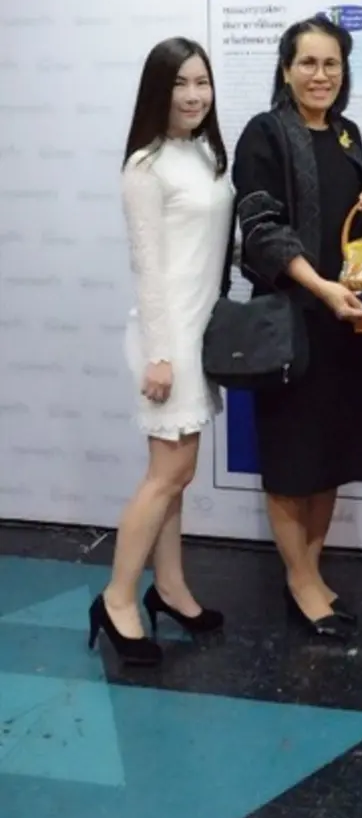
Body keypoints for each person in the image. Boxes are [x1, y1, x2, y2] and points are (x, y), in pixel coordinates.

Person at [232, 15, 362, 642]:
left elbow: (347, 238)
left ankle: (312, 572)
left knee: (332, 455)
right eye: (308, 63)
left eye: (331, 64)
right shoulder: (265, 133)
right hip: (291, 320)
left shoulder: (348, 135)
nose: (320, 75)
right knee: (292, 459)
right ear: (286, 69)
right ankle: (298, 581)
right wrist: (321, 288)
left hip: (342, 324)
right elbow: (261, 230)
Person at [89, 39, 233, 666]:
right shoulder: (145, 166)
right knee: (166, 475)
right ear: (158, 91)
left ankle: (169, 589)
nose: (194, 95)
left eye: (202, 81)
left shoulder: (203, 152)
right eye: (180, 84)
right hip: (166, 341)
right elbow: (146, 268)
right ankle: (118, 599)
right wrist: (159, 354)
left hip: (198, 335)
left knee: (178, 477)